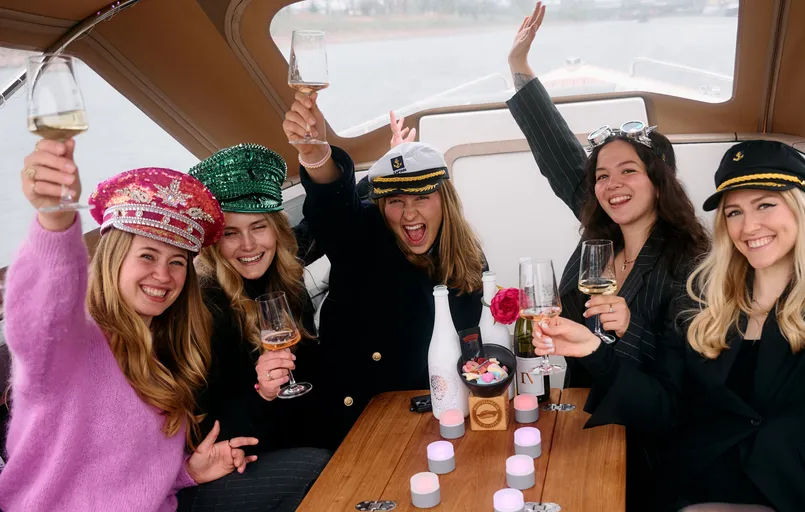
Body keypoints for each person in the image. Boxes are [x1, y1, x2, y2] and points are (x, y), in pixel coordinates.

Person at [533, 140, 805, 511]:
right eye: (734, 212)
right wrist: (594, 351)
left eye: (765, 204)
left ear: (801, 208)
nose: (750, 226)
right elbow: (665, 408)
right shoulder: (701, 298)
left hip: (802, 486)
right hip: (704, 479)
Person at [506, 3, 709, 509]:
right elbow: (559, 155)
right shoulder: (602, 236)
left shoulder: (690, 263)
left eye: (628, 172)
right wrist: (519, 68)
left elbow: (675, 387)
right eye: (602, 176)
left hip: (646, 441)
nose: (611, 185)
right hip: (577, 409)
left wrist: (623, 327)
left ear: (659, 183)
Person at [0, 139, 257, 511]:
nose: (163, 275)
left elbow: (125, 478)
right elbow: (39, 315)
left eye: (177, 262)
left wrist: (189, 472)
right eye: (147, 256)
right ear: (115, 260)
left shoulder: (163, 345)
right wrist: (55, 220)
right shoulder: (72, 343)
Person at [281, 92, 487, 434]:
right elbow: (335, 211)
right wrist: (315, 154)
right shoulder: (365, 237)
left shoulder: (468, 256)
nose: (409, 214)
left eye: (422, 197)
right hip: (361, 415)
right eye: (395, 201)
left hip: (439, 408)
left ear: (445, 201)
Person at [175, 143, 332, 511]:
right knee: (323, 467)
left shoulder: (286, 283)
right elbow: (207, 433)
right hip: (221, 467)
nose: (248, 245)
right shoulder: (205, 308)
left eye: (258, 227)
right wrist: (262, 392)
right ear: (213, 243)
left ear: (276, 228)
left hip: (278, 438)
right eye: (231, 233)